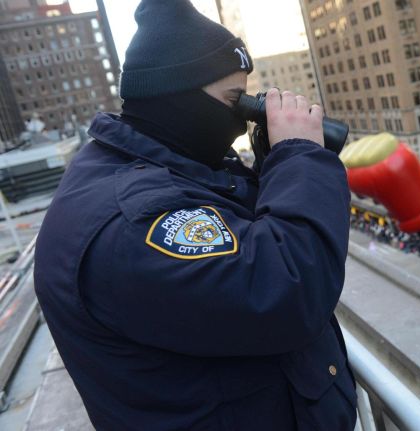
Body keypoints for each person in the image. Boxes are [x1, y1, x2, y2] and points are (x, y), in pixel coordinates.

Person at [33, 1, 355, 430]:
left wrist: (268, 169)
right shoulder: (134, 220)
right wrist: (301, 160)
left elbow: (235, 242)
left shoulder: (144, 165)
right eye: (234, 102)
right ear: (176, 94)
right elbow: (288, 290)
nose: (240, 122)